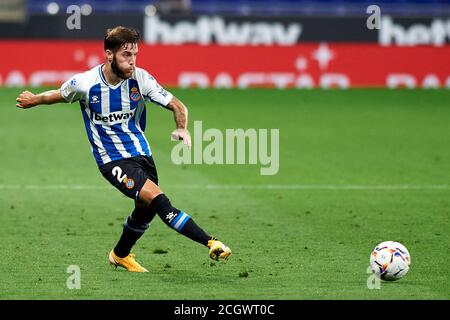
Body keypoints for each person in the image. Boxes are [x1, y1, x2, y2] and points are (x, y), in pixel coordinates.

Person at [15, 26, 231, 273]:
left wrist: (182, 128)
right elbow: (59, 94)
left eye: (135, 55)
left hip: (141, 154)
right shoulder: (86, 83)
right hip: (111, 159)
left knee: (146, 209)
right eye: (126, 55)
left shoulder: (142, 79)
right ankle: (210, 242)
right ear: (109, 55)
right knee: (157, 199)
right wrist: (34, 100)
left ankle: (120, 255)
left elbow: (177, 105)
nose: (132, 62)